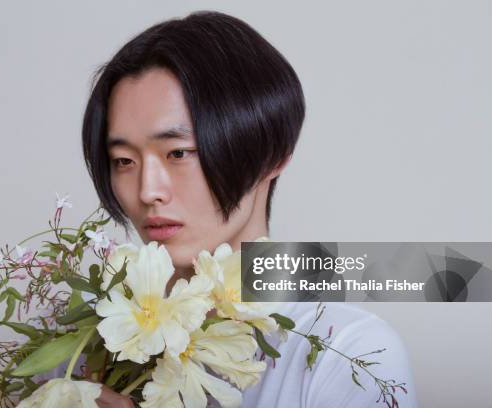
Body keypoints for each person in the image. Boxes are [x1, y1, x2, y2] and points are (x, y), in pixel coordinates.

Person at [77, 10, 419, 407]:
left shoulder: (349, 352)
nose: (148, 190)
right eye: (123, 161)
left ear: (272, 155)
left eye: (179, 153)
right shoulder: (85, 345)